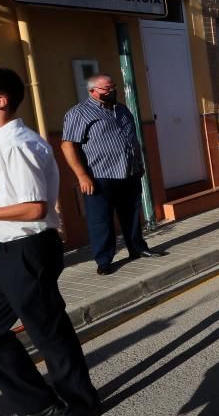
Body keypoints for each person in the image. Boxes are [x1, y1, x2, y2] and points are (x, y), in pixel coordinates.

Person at [0, 67, 100, 416]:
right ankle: (36, 404)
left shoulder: (19, 145)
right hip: (2, 250)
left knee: (48, 332)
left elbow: (34, 208)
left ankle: (81, 402)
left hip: (28, 248)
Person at [60, 75, 167, 275]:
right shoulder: (79, 113)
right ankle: (104, 260)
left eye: (113, 88)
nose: (111, 92)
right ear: (92, 91)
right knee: (101, 220)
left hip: (129, 172)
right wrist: (82, 175)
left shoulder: (122, 110)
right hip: (99, 176)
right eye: (106, 89)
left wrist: (138, 163)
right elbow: (67, 145)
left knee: (132, 216)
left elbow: (131, 139)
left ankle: (137, 248)